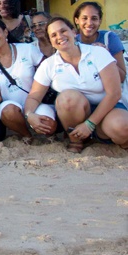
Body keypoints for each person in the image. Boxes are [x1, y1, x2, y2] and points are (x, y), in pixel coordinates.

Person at [24, 16, 128, 153]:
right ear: (51, 42)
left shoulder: (98, 53)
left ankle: (105, 136)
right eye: (53, 35)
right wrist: (29, 114)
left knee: (122, 128)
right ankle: (76, 140)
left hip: (109, 108)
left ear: (74, 32)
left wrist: (90, 124)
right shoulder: (48, 65)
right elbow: (34, 97)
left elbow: (114, 93)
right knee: (67, 98)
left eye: (63, 31)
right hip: (76, 114)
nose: (59, 36)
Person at [0, 18, 56, 141]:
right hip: (13, 107)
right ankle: (27, 135)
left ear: (5, 32)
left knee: (49, 126)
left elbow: (47, 73)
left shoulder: (27, 50)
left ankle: (44, 131)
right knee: (7, 111)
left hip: (37, 102)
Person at [74, 1, 126, 83]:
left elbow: (122, 77)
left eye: (94, 18)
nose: (89, 23)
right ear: (77, 20)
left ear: (100, 21)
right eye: (84, 18)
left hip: (110, 93)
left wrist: (105, 56)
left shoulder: (109, 38)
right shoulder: (73, 42)